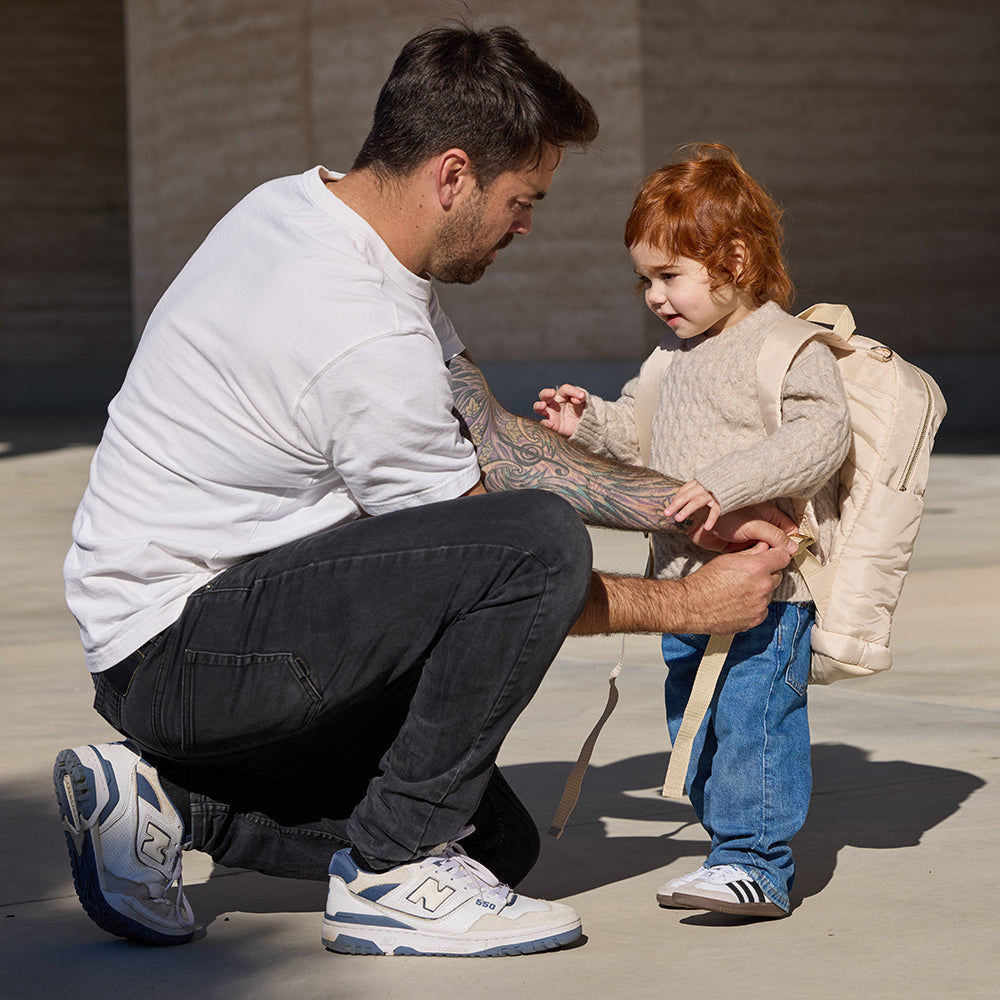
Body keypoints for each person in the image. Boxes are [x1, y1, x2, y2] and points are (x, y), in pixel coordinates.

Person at [56, 28, 796, 959]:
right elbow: (502, 569)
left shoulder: (301, 212)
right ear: (453, 175)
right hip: (184, 654)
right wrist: (693, 602)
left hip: (199, 635)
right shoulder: (359, 333)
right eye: (521, 200)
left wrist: (690, 505)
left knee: (497, 846)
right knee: (536, 541)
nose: (525, 227)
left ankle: (167, 804)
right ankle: (392, 876)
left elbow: (486, 427)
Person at [534, 143, 850, 918]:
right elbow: (647, 445)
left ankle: (755, 862)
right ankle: (727, 848)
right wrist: (589, 425)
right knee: (697, 722)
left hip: (767, 588)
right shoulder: (675, 362)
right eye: (644, 278)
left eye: (669, 275)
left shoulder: (783, 346)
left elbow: (823, 434)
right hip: (685, 588)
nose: (653, 295)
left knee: (753, 720)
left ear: (735, 260)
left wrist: (729, 483)